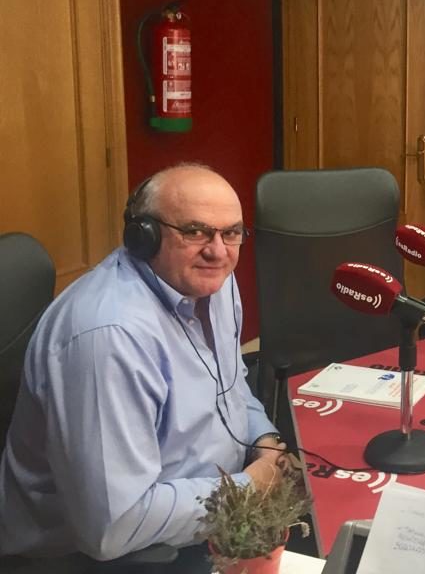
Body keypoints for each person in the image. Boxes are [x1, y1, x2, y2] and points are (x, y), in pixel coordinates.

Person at [0, 164, 284, 569]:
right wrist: (249, 487)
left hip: (211, 502)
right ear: (142, 236)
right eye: (195, 231)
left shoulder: (212, 281)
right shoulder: (109, 337)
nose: (218, 251)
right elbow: (113, 528)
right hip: (106, 556)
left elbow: (229, 384)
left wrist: (265, 441)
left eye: (231, 233)